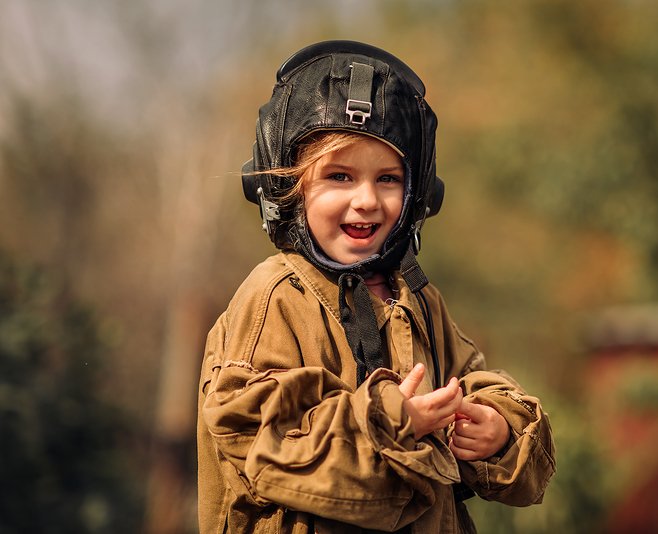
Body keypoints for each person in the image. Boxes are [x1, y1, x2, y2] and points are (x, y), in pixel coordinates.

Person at [197, 40, 555, 533]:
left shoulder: (417, 298)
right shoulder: (274, 297)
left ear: (417, 196)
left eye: (388, 179)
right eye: (339, 176)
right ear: (289, 188)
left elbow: (471, 381)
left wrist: (499, 429)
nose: (366, 200)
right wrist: (391, 421)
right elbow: (259, 438)